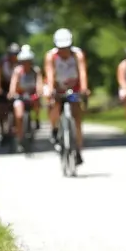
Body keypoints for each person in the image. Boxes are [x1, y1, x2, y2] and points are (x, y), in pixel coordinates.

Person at [44, 28, 90, 165]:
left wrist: (84, 88)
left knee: (77, 118)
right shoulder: (51, 56)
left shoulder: (77, 55)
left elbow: (82, 72)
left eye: (66, 47)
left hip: (73, 87)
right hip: (57, 86)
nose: (64, 51)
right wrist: (52, 89)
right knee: (53, 103)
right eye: (61, 48)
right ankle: (54, 128)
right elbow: (50, 73)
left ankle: (78, 151)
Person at [8, 45, 43, 152]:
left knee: (37, 102)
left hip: (32, 95)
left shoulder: (36, 71)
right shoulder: (18, 71)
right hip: (20, 96)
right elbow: (13, 83)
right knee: (18, 115)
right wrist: (12, 92)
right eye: (23, 61)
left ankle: (37, 118)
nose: (26, 63)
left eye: (28, 61)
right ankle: (19, 138)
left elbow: (39, 83)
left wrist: (39, 92)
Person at [0, 42, 21, 145]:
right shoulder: (2, 62)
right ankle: (2, 132)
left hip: (16, 86)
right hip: (4, 85)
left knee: (16, 106)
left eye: (16, 54)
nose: (14, 57)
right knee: (1, 109)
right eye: (12, 54)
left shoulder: (20, 63)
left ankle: (15, 129)